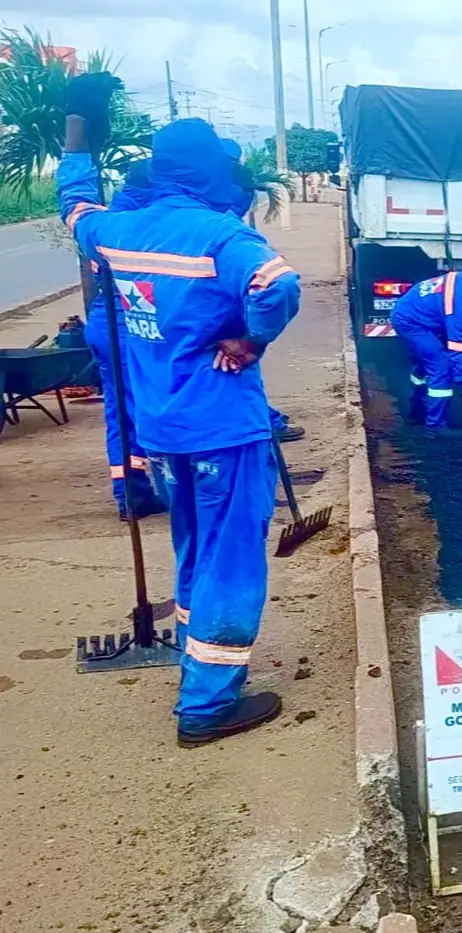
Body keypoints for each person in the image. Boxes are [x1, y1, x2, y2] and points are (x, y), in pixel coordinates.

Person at [59, 75, 301, 747]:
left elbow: (74, 208)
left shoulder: (118, 231)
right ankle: (207, 704)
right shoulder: (219, 235)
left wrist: (77, 131)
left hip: (161, 433)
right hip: (222, 427)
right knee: (230, 558)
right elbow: (277, 285)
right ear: (209, 171)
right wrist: (250, 339)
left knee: (194, 547)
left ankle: (198, 662)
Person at [82, 159, 167, 521]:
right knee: (145, 408)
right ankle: (147, 490)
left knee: (121, 411)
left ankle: (131, 494)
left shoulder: (108, 220)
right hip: (129, 324)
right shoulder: (141, 223)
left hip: (108, 322)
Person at [222, 138, 305, 443]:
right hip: (220, 321)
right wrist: (255, 340)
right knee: (233, 373)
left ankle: (266, 422)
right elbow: (279, 283)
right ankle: (265, 425)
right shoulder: (225, 228)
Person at [390, 271, 462, 439]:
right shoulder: (461, 311)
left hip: (414, 312)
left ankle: (417, 412)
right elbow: (455, 354)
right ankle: (435, 427)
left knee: (427, 362)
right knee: (441, 367)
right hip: (411, 323)